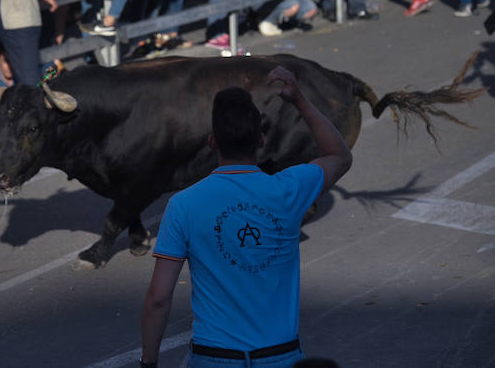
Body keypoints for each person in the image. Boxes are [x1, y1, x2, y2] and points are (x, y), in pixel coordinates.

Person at [140, 68, 353, 367]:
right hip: (280, 357)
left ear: (213, 141)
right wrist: (300, 101)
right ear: (261, 140)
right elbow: (339, 156)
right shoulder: (288, 190)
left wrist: (148, 362)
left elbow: (159, 298)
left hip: (213, 360)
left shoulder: (183, 205)